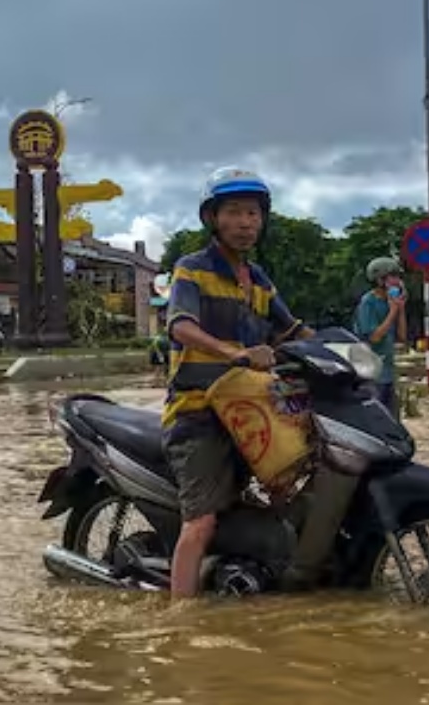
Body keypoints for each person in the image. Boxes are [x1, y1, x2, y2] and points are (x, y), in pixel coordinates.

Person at [163, 167, 311, 598]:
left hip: (252, 409)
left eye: (253, 213)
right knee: (201, 521)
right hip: (198, 415)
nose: (247, 223)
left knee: (291, 486)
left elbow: (292, 330)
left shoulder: (259, 280)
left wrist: (340, 353)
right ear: (213, 218)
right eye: (235, 212)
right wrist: (234, 352)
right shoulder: (191, 270)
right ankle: (180, 621)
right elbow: (180, 326)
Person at [353, 257, 408, 417]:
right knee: (377, 420)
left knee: (394, 422)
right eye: (393, 277)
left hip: (388, 372)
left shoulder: (391, 302)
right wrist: (392, 312)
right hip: (371, 374)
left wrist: (401, 309)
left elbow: (402, 336)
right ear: (380, 280)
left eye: (398, 277)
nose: (397, 281)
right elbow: (374, 337)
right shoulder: (368, 303)